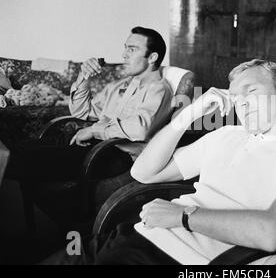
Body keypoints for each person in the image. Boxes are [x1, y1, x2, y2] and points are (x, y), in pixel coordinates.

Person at [44, 59, 276, 265]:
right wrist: (187, 116)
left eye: (252, 91)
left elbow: (273, 233)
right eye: (235, 98)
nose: (242, 104)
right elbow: (143, 171)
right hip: (133, 236)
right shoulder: (227, 135)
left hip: (180, 258)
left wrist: (183, 217)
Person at [5, 27, 173, 191]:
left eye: (132, 49)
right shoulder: (121, 85)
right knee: (16, 148)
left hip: (114, 154)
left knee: (18, 160)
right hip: (93, 146)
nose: (124, 55)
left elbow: (139, 128)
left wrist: (94, 130)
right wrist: (83, 77)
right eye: (125, 48)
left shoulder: (158, 89)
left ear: (152, 57)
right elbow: (81, 112)